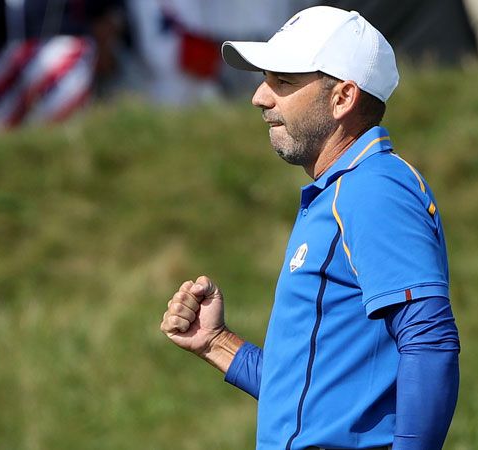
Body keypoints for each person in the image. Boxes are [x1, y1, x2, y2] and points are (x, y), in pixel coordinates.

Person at [160, 6, 460, 450]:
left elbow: (430, 342)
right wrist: (217, 343)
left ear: (342, 98)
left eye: (282, 82)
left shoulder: (375, 188)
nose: (260, 97)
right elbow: (315, 392)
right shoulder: (342, 192)